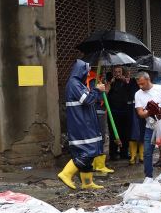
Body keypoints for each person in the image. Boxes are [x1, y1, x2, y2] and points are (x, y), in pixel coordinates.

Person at [57, 59, 107, 190]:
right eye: (87, 70)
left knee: (90, 154)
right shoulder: (74, 84)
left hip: (85, 123)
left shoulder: (79, 84)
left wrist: (97, 91)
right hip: (81, 124)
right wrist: (96, 90)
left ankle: (87, 183)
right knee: (86, 152)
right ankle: (66, 174)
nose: (88, 73)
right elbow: (87, 100)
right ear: (81, 71)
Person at [85, 69, 115, 176]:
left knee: (100, 137)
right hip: (98, 112)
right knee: (99, 137)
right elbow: (96, 97)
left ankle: (98, 164)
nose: (103, 72)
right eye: (102, 70)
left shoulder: (95, 79)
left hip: (99, 111)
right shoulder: (94, 81)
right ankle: (98, 165)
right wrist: (106, 90)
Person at [106, 66, 133, 161]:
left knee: (124, 133)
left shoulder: (126, 82)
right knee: (113, 133)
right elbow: (105, 92)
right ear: (113, 73)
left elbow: (131, 92)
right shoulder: (110, 82)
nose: (117, 73)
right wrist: (110, 83)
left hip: (124, 112)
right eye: (115, 72)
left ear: (122, 72)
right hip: (112, 112)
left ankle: (123, 153)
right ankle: (113, 153)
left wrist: (125, 81)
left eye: (119, 71)